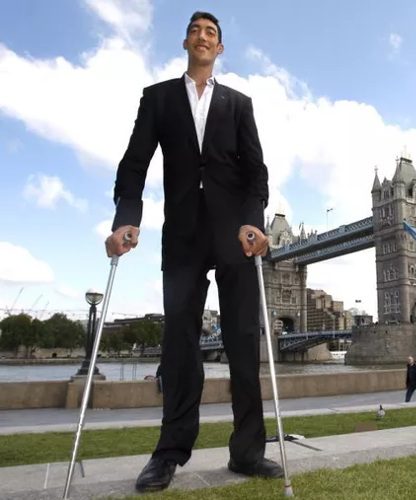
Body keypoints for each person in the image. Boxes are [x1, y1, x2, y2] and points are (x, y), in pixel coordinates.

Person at [105, 12, 281, 492]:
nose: (203, 37)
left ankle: (247, 452)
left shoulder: (239, 104)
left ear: (219, 49)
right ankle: (168, 453)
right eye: (197, 30)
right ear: (186, 41)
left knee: (244, 342)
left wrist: (254, 222)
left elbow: (256, 172)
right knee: (180, 344)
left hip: (235, 236)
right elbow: (135, 161)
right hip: (181, 234)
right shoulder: (158, 98)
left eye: (212, 33)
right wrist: (127, 219)